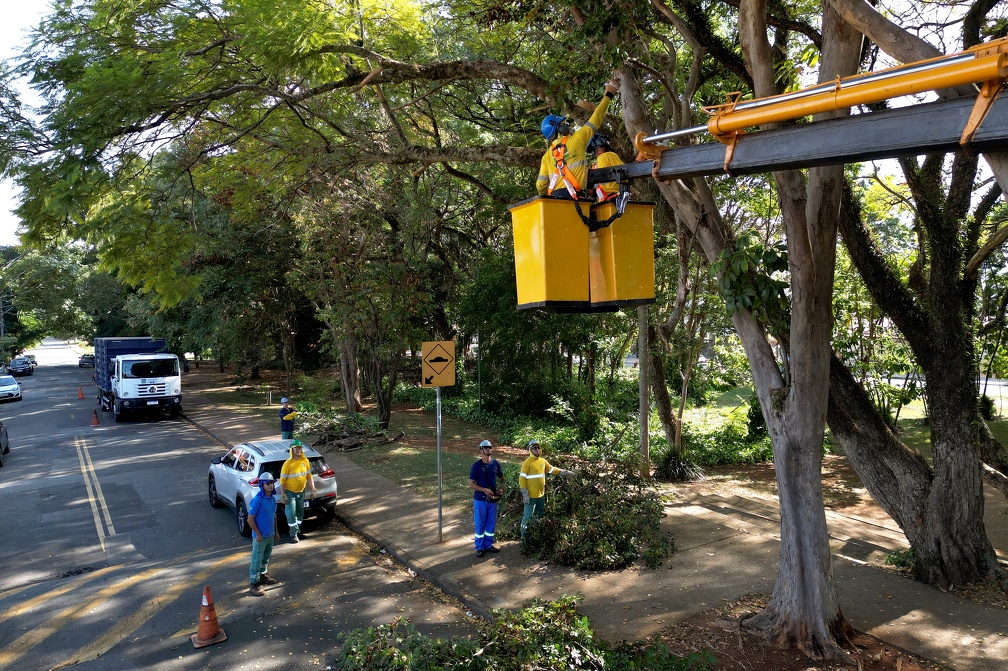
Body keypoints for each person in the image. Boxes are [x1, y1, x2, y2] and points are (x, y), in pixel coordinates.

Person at [536, 77, 620, 199]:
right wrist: (608, 95)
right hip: (576, 199)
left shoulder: (546, 156)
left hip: (554, 201)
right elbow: (596, 118)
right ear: (560, 129)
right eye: (563, 124)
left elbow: (540, 185)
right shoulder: (577, 140)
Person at [519, 439, 572, 540]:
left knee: (540, 515)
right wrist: (525, 495)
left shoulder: (543, 462)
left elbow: (553, 470)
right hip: (530, 497)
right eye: (534, 448)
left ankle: (538, 536)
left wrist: (566, 473)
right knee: (527, 517)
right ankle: (523, 538)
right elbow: (522, 479)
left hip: (541, 496)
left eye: (538, 448)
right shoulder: (527, 463)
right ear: (530, 450)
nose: (537, 450)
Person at [468, 439, 504, 557]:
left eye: (490, 447)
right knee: (480, 523)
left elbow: (501, 478)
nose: (488, 449)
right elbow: (471, 484)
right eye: (486, 447)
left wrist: (501, 489)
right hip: (480, 500)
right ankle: (479, 547)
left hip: (492, 499)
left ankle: (488, 545)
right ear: (481, 450)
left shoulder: (495, 464)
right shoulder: (476, 466)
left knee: (491, 523)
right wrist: (484, 490)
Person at [247, 472, 280, 596]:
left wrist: (276, 532)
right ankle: (254, 583)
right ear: (262, 485)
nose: (270, 485)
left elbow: (274, 516)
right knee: (257, 558)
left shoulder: (272, 498)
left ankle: (262, 575)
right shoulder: (257, 500)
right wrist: (258, 534)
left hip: (270, 535)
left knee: (265, 557)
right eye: (267, 483)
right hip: (260, 537)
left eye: (271, 483)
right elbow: (250, 519)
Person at [278, 439, 316, 543]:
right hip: (290, 492)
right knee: (291, 513)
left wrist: (313, 489)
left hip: (301, 492)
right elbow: (282, 481)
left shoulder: (305, 461)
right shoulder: (287, 464)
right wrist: (283, 494)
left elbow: (309, 476)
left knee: (300, 513)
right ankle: (293, 534)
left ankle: (297, 531)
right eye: (296, 448)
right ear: (292, 450)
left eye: (299, 448)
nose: (298, 450)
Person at [587, 132, 624, 202]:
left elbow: (626, 171)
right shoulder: (595, 164)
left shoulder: (608, 156)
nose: (594, 152)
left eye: (594, 149)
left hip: (615, 198)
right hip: (605, 200)